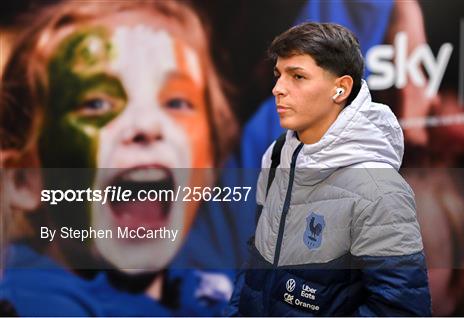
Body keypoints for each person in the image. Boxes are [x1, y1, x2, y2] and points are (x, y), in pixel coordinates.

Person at [0, 0, 238, 315]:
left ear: (208, 169)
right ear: (23, 178)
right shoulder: (33, 303)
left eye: (176, 102)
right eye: (96, 104)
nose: (147, 125)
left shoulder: (205, 290)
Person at [227, 22, 431, 316]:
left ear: (341, 88)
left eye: (297, 76)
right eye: (278, 75)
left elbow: (400, 310)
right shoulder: (275, 157)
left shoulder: (378, 189)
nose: (278, 89)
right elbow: (256, 258)